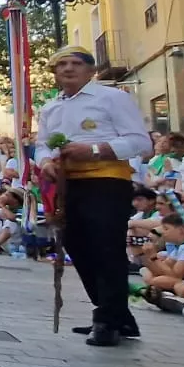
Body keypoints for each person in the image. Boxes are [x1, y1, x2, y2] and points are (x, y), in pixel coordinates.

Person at [35, 45, 154, 347]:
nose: (68, 69)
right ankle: (114, 312)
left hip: (107, 180)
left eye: (76, 63)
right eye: (62, 64)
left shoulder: (113, 98)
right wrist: (46, 162)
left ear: (91, 70)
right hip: (67, 183)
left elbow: (140, 141)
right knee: (77, 245)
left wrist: (95, 150)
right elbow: (42, 145)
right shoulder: (51, 108)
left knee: (105, 247)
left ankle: (107, 319)